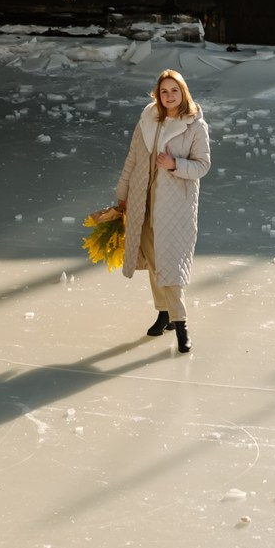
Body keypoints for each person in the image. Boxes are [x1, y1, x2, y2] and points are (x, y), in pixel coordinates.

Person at [114, 68, 210, 353]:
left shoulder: (194, 125)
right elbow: (132, 158)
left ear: (183, 92)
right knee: (156, 263)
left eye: (174, 90)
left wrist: (174, 165)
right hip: (144, 200)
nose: (169, 96)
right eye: (164, 91)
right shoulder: (147, 119)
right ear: (158, 94)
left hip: (175, 204)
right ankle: (163, 313)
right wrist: (123, 195)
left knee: (171, 263)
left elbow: (203, 166)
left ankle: (181, 324)